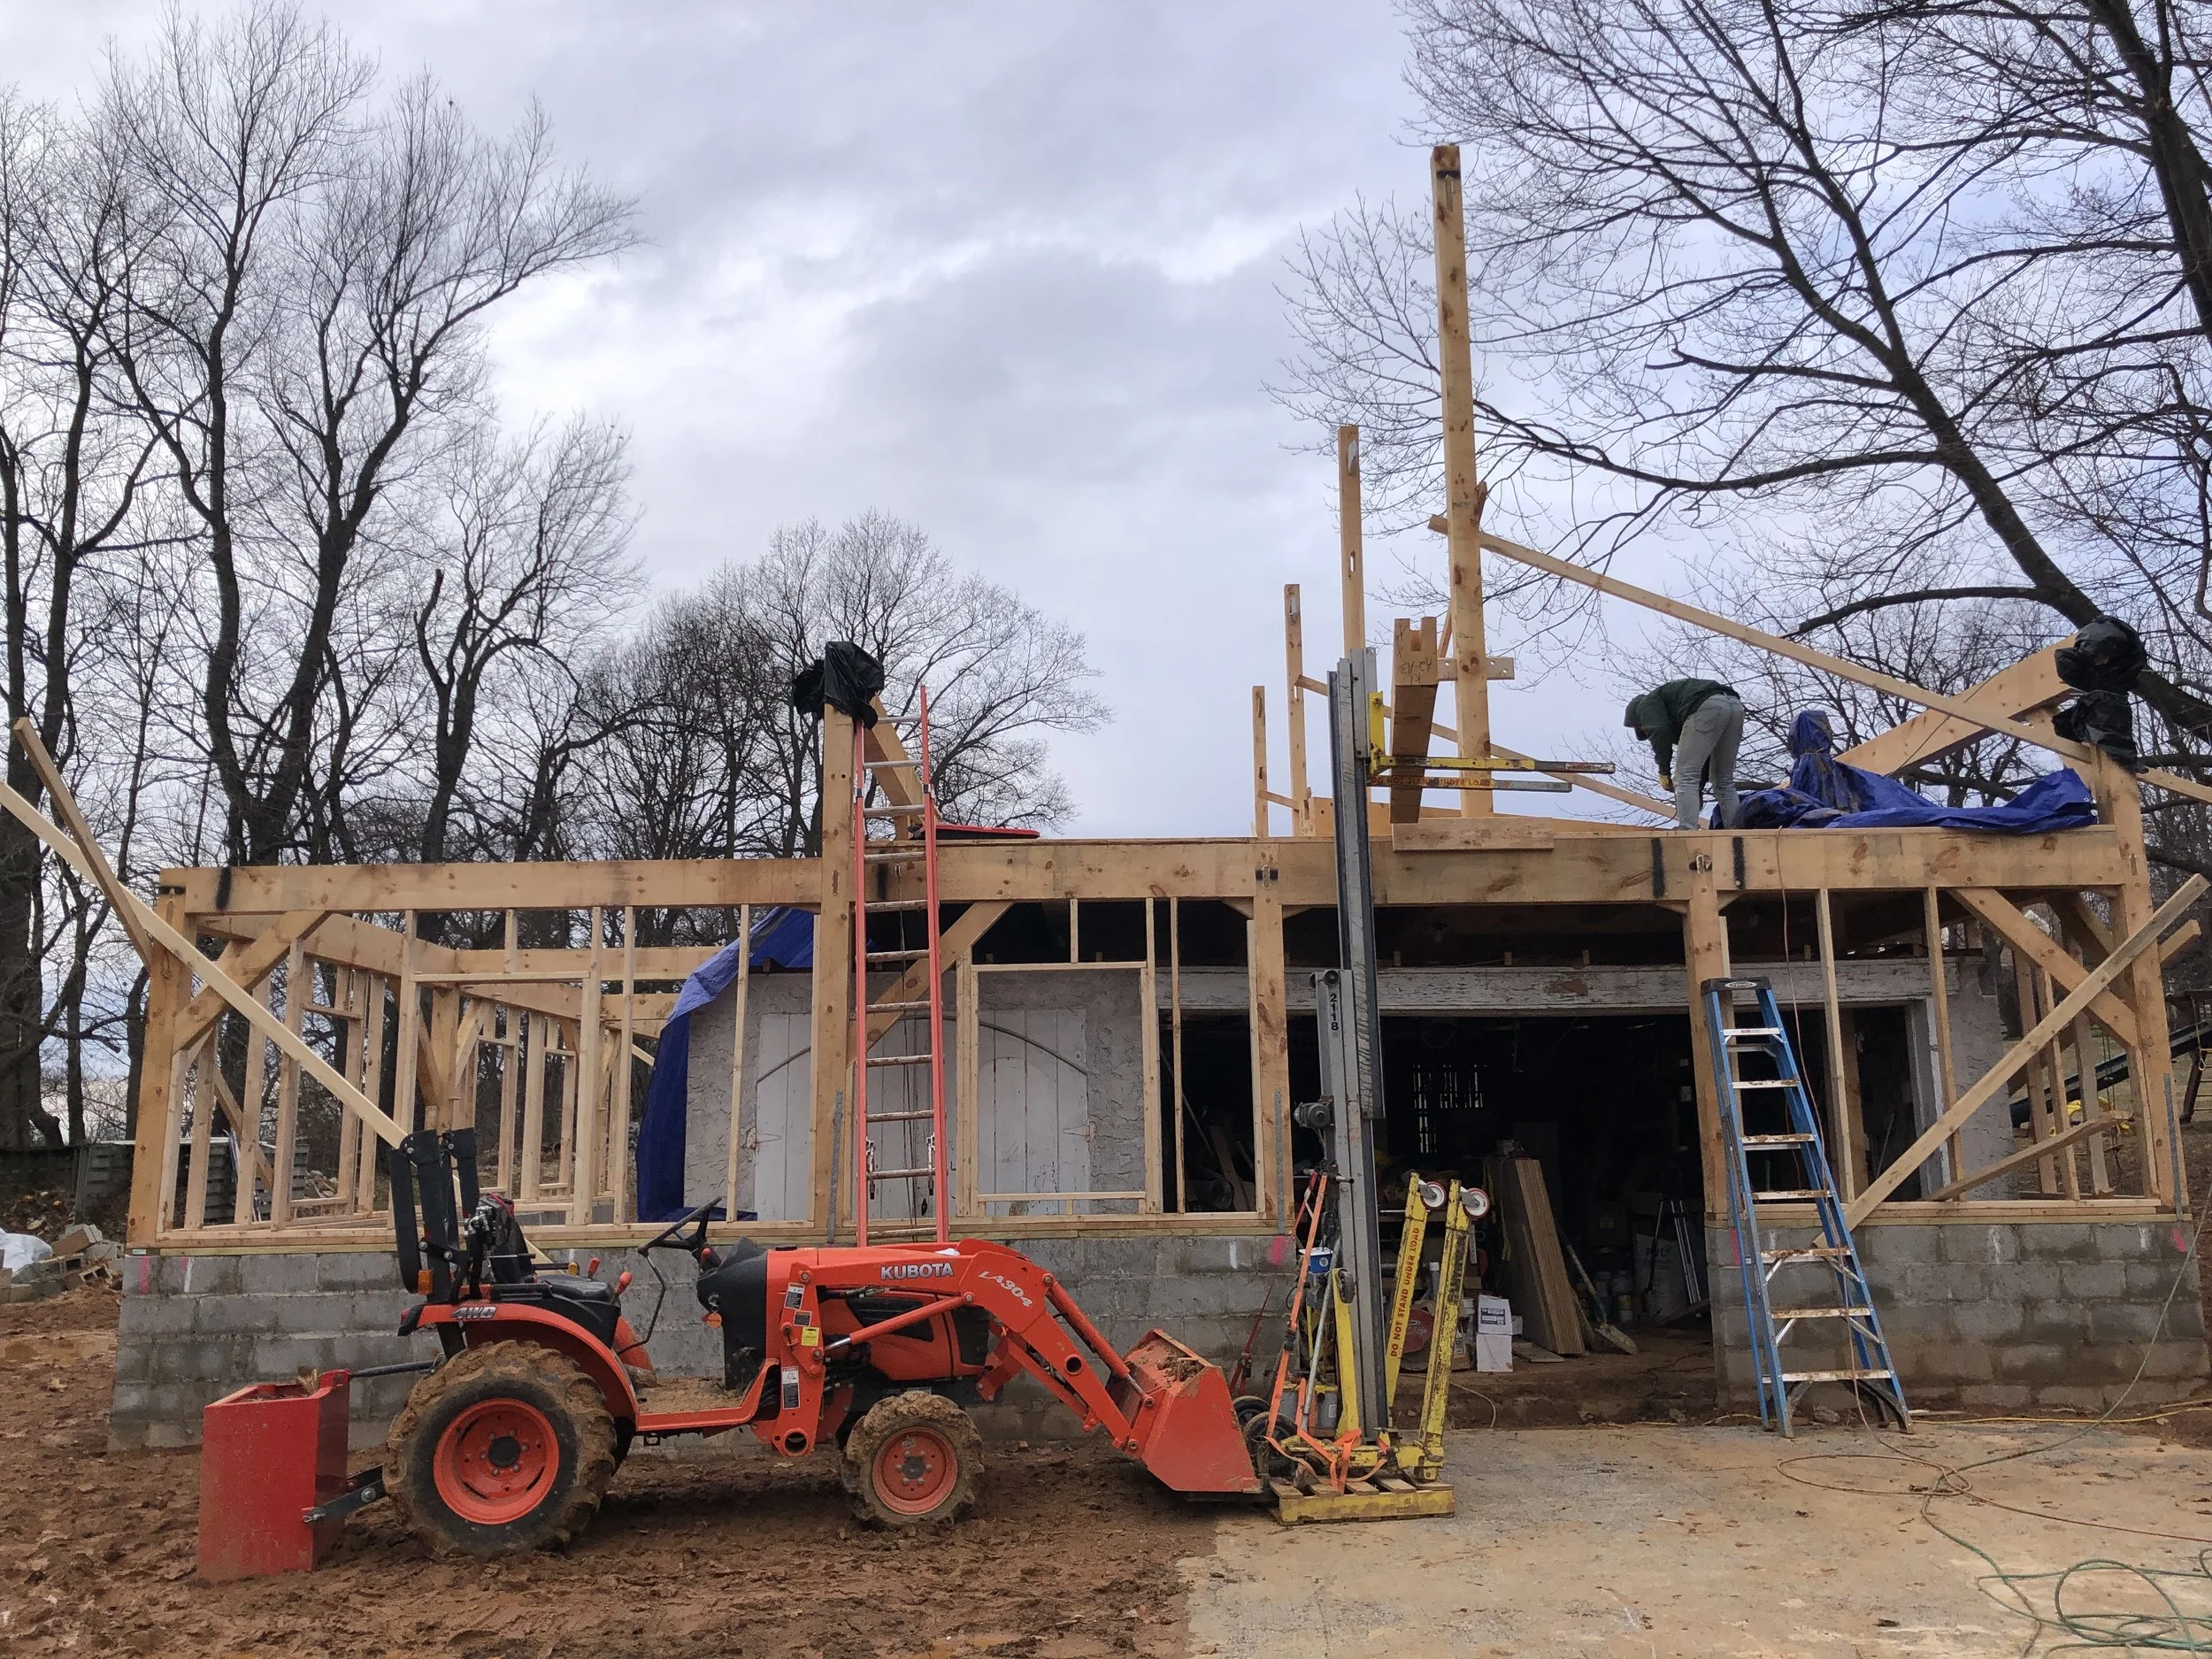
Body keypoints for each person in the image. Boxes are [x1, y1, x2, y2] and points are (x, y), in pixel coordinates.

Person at [1624, 679, 1745, 829]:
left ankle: (1687, 829)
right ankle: (1736, 833)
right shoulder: (1673, 706)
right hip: (1735, 705)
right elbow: (1704, 757)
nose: (1644, 730)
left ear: (1637, 718)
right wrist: (1698, 789)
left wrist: (1664, 772)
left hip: (1707, 705)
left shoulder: (1645, 705)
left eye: (1641, 727)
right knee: (1723, 780)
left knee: (1684, 776)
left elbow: (1659, 731)